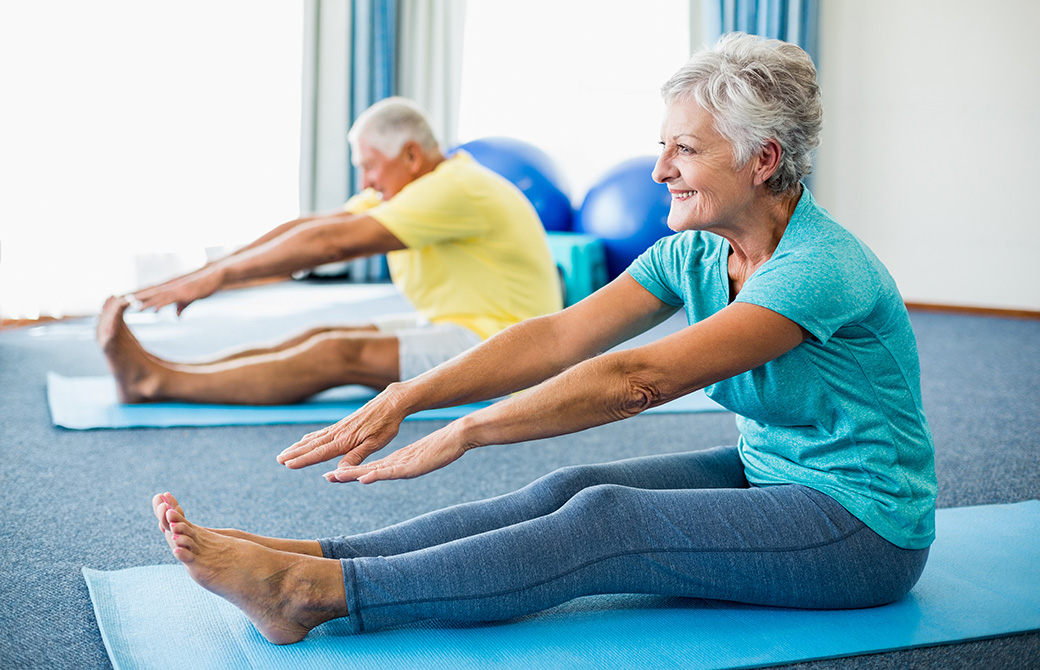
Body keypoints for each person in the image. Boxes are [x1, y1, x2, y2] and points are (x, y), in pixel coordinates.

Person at [152, 33, 937, 644]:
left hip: (860, 526)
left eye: (684, 149)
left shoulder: (818, 269)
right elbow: (563, 335)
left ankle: (309, 597)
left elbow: (638, 380)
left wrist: (467, 429)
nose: (659, 169)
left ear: (764, 159)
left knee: (608, 521)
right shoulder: (695, 250)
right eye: (661, 143)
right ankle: (321, 557)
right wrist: (412, 395)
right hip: (771, 473)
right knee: (567, 488)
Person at [98, 97, 562, 405]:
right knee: (320, 331)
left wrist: (215, 280)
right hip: (463, 326)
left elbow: (329, 246)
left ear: (411, 156)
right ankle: (167, 369)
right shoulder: (415, 187)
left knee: (336, 352)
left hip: (507, 347)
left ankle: (155, 382)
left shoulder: (456, 189)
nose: (365, 183)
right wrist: (208, 269)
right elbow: (312, 228)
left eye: (370, 168)